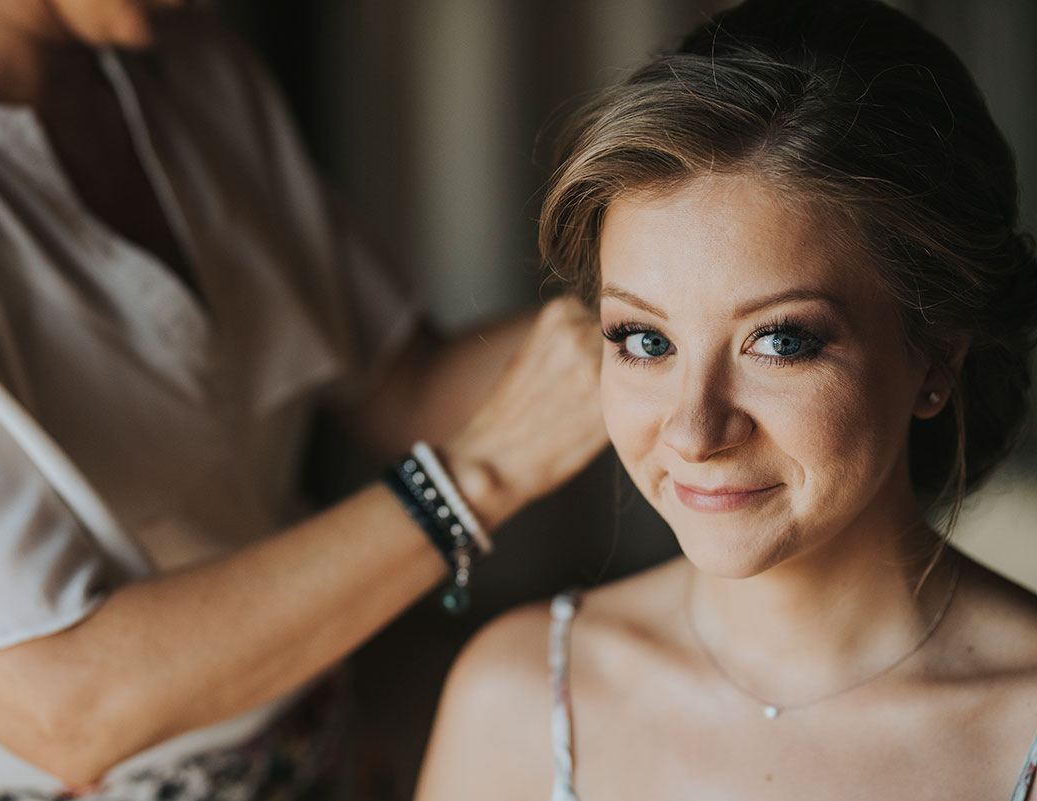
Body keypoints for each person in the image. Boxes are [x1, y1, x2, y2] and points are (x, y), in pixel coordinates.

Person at [0, 0, 609, 798]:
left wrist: (658, 319)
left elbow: (408, 386)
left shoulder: (190, 72)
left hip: (319, 752)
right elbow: (66, 707)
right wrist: (477, 478)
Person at [415, 0, 1037, 798]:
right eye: (645, 339)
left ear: (935, 358)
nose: (694, 429)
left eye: (780, 340)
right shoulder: (519, 699)